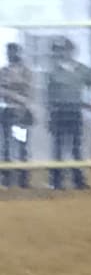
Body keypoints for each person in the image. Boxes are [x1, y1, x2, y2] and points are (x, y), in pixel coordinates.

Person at [45, 37, 91, 190]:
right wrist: (50, 113)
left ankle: (77, 181)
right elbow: (48, 95)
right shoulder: (54, 71)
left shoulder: (81, 70)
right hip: (59, 111)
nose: (62, 53)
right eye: (59, 50)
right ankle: (56, 181)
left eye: (64, 49)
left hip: (73, 111)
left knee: (75, 147)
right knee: (58, 147)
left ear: (70, 51)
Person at [0, 43, 34, 189]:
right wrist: (15, 91)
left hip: (20, 112)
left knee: (21, 146)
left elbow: (26, 88)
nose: (11, 54)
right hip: (8, 111)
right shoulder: (3, 71)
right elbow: (2, 90)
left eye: (13, 52)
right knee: (6, 146)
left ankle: (23, 179)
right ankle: (6, 178)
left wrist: (10, 90)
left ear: (18, 53)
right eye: (9, 52)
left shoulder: (25, 71)